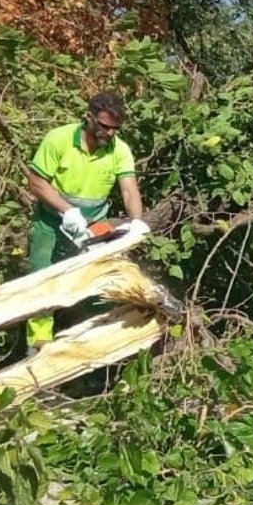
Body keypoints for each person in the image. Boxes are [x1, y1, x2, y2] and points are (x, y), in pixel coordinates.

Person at [25, 92, 149, 352]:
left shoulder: (120, 150)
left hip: (95, 227)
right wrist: (67, 211)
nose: (110, 134)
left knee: (99, 281)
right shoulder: (58, 139)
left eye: (116, 129)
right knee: (42, 281)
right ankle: (38, 348)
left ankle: (95, 346)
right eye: (105, 126)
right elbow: (36, 182)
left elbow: (129, 190)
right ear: (89, 118)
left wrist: (137, 222)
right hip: (51, 222)